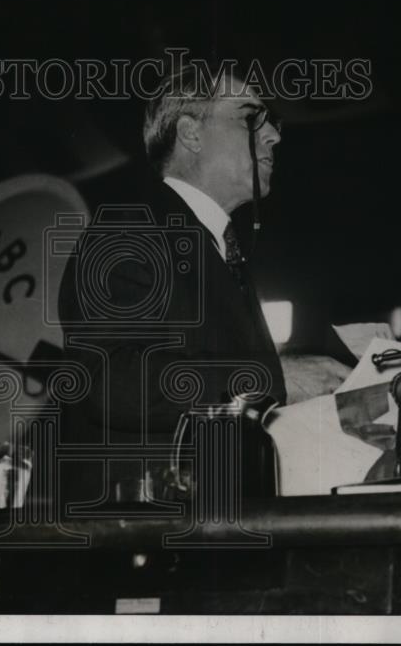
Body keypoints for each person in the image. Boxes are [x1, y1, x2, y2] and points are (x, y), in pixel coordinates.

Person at [56, 64, 349, 506]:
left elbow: (207, 361)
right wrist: (272, 375)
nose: (274, 136)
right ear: (192, 134)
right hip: (145, 538)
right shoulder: (130, 229)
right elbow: (107, 377)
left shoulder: (219, 248)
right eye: (251, 117)